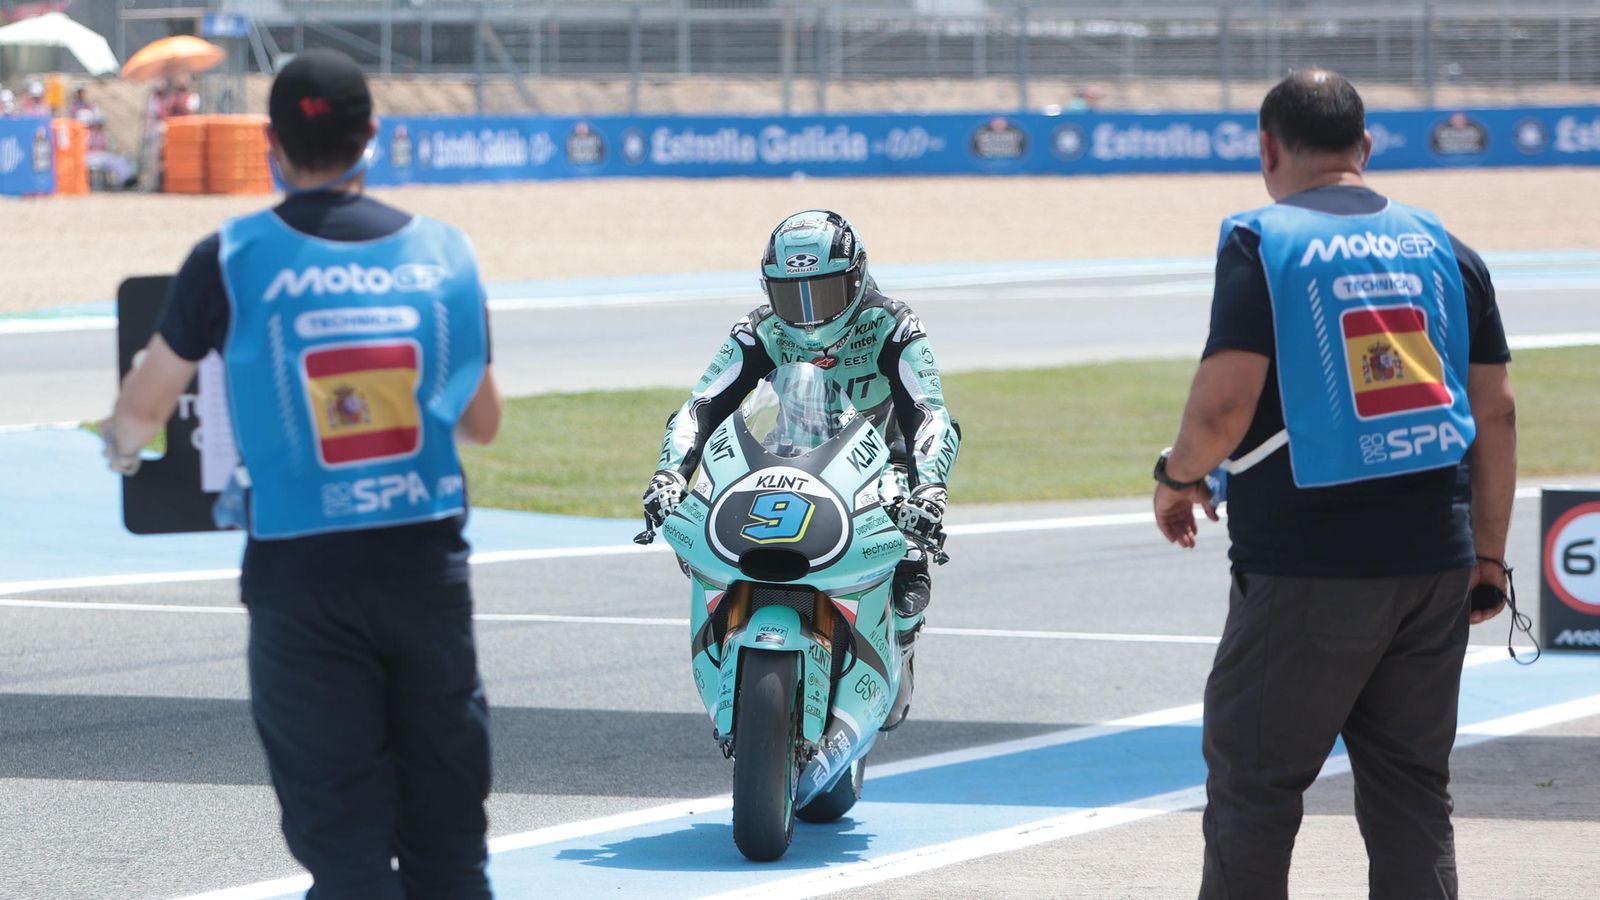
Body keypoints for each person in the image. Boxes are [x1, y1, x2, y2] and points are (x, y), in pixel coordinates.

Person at [100, 49, 502, 899]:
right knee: (451, 845)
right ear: (374, 137)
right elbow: (484, 422)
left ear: (270, 145)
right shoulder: (447, 252)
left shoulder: (234, 254)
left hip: (301, 576)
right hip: (425, 567)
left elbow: (146, 402)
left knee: (345, 844)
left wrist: (122, 443)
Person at [1151, 69, 1517, 900]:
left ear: (1269, 148)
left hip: (1309, 571)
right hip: (1435, 563)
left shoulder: (1263, 238)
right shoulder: (1447, 246)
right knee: (1413, 793)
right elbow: (1496, 415)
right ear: (1367, 147)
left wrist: (1176, 478)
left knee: (1255, 787)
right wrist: (1488, 561)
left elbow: (1222, 406)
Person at [642, 209, 960, 728]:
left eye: (825, 293)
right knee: (708, 534)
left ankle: (898, 647)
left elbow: (930, 412)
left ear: (856, 278)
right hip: (793, 449)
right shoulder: (759, 330)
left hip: (886, 459)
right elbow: (701, 406)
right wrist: (669, 474)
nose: (808, 315)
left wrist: (929, 492)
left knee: (911, 571)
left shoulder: (894, 326)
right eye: (794, 296)